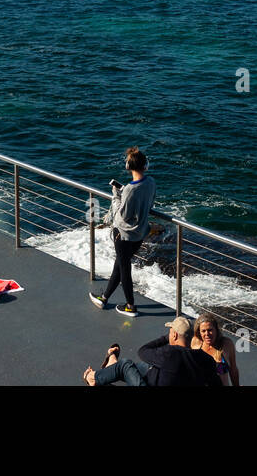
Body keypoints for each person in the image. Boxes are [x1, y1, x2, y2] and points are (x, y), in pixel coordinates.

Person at [89, 146, 156, 317]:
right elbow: (148, 204)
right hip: (140, 233)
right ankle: (104, 298)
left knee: (124, 269)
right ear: (145, 165)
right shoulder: (151, 182)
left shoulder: (129, 190)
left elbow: (123, 215)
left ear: (128, 167)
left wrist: (116, 196)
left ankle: (130, 306)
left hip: (124, 234)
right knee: (119, 266)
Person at [83, 316, 221, 387]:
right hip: (158, 376)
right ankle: (112, 364)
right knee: (144, 367)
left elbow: (143, 351)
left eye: (170, 332)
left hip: (154, 381)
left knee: (125, 365)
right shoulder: (206, 359)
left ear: (174, 335)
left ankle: (93, 377)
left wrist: (166, 338)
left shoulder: (171, 353)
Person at [191, 312, 241, 386]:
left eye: (210, 330)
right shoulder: (195, 342)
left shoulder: (226, 344)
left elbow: (233, 369)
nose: (207, 334)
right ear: (199, 332)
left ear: (216, 330)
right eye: (203, 331)